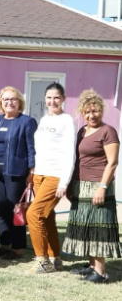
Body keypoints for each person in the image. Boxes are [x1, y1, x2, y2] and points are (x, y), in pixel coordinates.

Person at [62, 89, 120, 283]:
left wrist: (102, 187)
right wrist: (71, 185)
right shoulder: (82, 130)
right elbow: (77, 160)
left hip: (98, 186)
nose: (91, 115)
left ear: (101, 111)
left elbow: (112, 162)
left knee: (98, 228)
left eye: (94, 111)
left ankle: (102, 273)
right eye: (87, 112)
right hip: (80, 185)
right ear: (82, 112)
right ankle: (92, 266)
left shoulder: (108, 131)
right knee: (85, 227)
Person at [26, 82, 76, 274]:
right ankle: (55, 259)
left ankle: (42, 260)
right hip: (39, 174)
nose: (52, 101)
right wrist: (32, 174)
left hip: (55, 175)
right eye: (49, 97)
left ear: (63, 99)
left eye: (56, 97)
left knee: (34, 213)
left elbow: (70, 153)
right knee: (47, 217)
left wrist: (64, 181)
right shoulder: (44, 120)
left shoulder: (67, 120)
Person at [0, 87, 36, 260]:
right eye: (6, 99)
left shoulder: (27, 122)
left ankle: (17, 248)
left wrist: (32, 171)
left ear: (19, 102)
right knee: (1, 207)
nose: (10, 102)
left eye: (13, 99)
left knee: (16, 210)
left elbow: (32, 148)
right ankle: (4, 244)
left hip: (16, 172)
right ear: (1, 102)